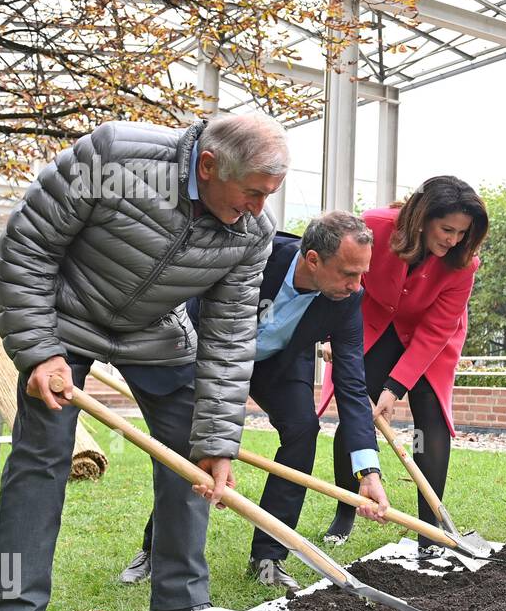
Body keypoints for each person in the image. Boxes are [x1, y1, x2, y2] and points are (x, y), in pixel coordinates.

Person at [0, 113, 286, 611]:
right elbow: (28, 246)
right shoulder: (114, 157)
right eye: (251, 193)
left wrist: (219, 442)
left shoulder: (252, 233)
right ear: (208, 166)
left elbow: (228, 337)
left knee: (192, 461)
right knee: (40, 463)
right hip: (63, 319)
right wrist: (39, 350)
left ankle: (180, 605)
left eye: (267, 197)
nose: (256, 208)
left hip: (156, 333)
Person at [119, 212, 391, 591]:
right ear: (313, 260)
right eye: (348, 273)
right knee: (187, 442)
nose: (357, 285)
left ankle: (269, 555)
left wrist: (369, 472)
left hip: (279, 362)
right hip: (211, 349)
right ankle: (156, 549)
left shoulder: (347, 299)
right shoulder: (257, 255)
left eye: (362, 273)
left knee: (302, 431)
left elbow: (351, 385)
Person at [322, 176, 487, 545]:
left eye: (462, 233)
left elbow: (436, 329)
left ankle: (431, 529)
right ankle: (345, 509)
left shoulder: (464, 263)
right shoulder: (375, 227)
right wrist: (335, 333)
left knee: (430, 423)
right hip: (375, 323)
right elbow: (343, 281)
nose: (453, 240)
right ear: (423, 217)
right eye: (447, 229)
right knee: (358, 413)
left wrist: (396, 387)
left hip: (430, 336)